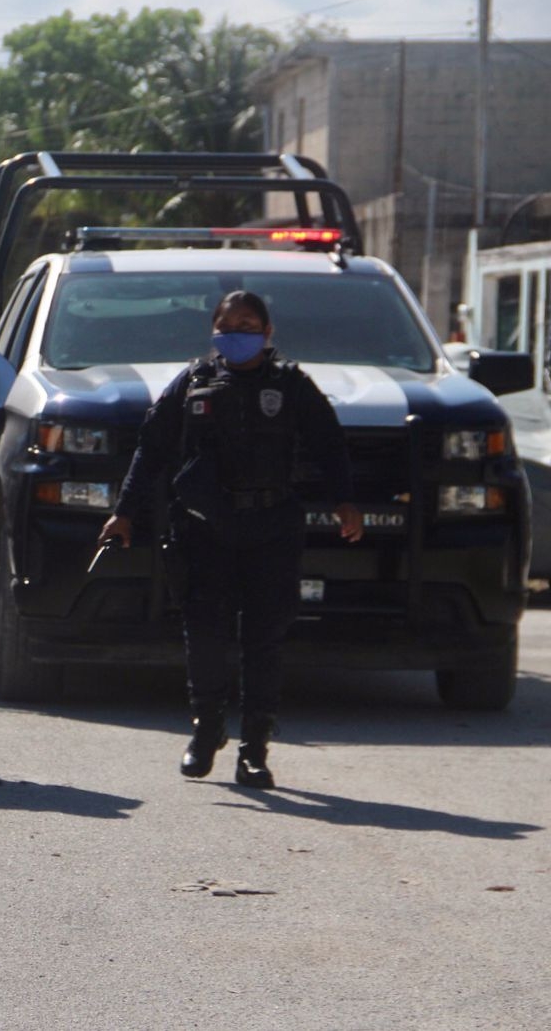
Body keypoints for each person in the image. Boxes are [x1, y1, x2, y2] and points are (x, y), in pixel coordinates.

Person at [97, 290, 364, 789]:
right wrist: (124, 514)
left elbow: (330, 444)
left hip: (272, 526)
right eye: (228, 324)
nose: (236, 333)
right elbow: (150, 450)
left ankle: (254, 748)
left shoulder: (291, 385)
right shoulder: (194, 382)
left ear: (267, 333)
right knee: (205, 633)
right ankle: (206, 729)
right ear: (214, 331)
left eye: (248, 324)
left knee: (264, 638)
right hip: (204, 528)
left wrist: (345, 501)